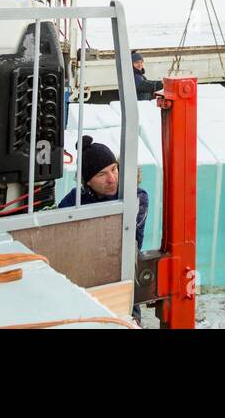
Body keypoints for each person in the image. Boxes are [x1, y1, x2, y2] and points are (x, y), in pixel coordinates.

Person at [60, 136, 149, 323]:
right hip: (84, 279)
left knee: (127, 317)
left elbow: (123, 237)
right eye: (101, 174)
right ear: (88, 182)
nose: (112, 179)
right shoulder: (74, 199)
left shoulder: (135, 196)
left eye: (114, 169)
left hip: (122, 272)